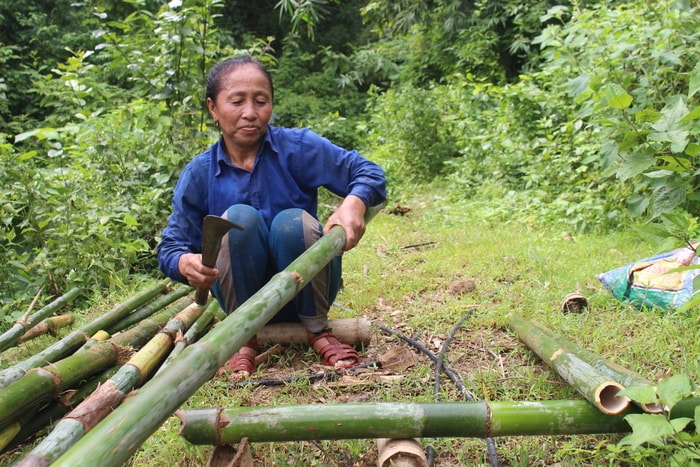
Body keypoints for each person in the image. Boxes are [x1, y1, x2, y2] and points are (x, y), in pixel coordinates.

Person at [157, 56, 386, 379]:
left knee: (292, 222)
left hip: (307, 293)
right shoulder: (199, 174)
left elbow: (368, 172)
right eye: (236, 101)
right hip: (241, 305)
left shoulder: (298, 148)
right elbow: (170, 247)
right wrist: (184, 263)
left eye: (261, 101)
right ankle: (243, 338)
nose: (250, 113)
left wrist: (354, 202)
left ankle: (318, 330)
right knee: (239, 219)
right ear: (213, 108)